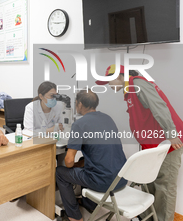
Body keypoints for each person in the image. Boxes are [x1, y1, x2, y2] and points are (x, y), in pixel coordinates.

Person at [96, 64, 183, 221]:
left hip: (168, 142)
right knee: (150, 184)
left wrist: (171, 133)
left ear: (119, 76)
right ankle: (148, 217)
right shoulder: (130, 91)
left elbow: (159, 107)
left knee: (165, 186)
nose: (109, 86)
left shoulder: (138, 83)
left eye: (109, 81)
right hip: (154, 144)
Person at [56, 90, 127, 221]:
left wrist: (76, 163)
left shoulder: (79, 124)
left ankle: (74, 216)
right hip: (120, 178)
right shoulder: (107, 118)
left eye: (76, 103)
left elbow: (69, 161)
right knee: (85, 161)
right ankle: (89, 204)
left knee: (60, 172)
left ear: (80, 104)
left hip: (103, 182)